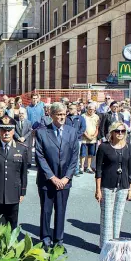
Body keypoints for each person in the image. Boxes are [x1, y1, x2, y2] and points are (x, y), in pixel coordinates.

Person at [35, 102, 79, 251]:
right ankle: (46, 239)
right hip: (47, 181)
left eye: (63, 114)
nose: (61, 117)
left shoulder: (71, 132)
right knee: (46, 211)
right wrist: (52, 177)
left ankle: (58, 240)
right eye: (58, 114)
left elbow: (74, 156)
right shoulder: (42, 132)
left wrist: (66, 177)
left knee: (61, 211)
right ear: (51, 115)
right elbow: (40, 157)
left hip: (64, 180)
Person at [0, 115, 28, 230]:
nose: (6, 133)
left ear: (14, 131)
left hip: (14, 191)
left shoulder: (21, 149)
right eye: (3, 130)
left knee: (12, 224)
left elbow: (23, 173)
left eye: (9, 130)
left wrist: (23, 192)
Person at [95, 122, 131, 249]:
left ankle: (115, 246)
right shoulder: (104, 147)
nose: (120, 133)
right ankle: (105, 247)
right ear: (112, 132)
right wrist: (98, 189)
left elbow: (130, 169)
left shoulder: (127, 147)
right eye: (117, 131)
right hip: (107, 185)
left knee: (118, 217)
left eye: (123, 131)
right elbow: (99, 169)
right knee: (106, 218)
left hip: (123, 186)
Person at [65, 103, 86, 176]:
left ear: (76, 109)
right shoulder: (66, 118)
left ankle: (76, 170)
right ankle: (67, 170)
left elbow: (83, 128)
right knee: (66, 155)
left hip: (77, 140)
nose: (69, 110)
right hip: (67, 139)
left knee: (76, 155)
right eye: (69, 108)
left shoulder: (81, 118)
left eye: (71, 108)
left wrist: (76, 136)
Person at [80, 103, 100, 174]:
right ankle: (82, 167)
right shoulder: (83, 116)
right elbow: (81, 127)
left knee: (91, 154)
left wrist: (94, 135)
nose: (91, 110)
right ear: (87, 109)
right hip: (84, 138)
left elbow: (97, 128)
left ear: (95, 110)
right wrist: (87, 135)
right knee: (83, 153)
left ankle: (88, 167)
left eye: (92, 109)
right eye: (89, 109)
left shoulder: (97, 117)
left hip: (93, 139)